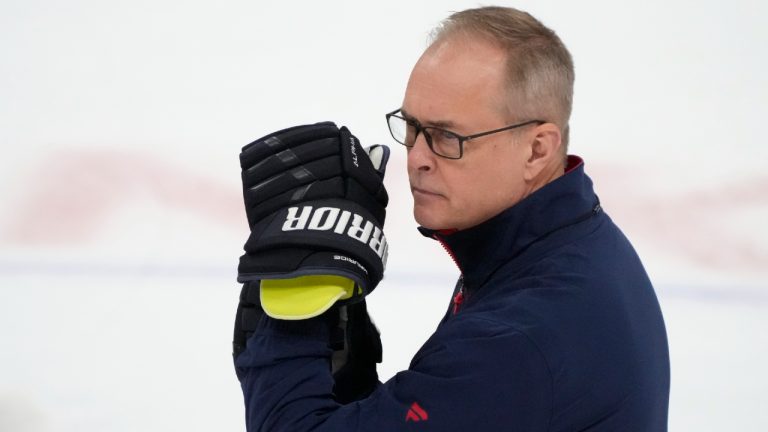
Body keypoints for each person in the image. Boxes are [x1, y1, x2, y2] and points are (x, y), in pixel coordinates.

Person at [232, 6, 670, 431]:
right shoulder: (560, 246)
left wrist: (295, 305)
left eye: (447, 137)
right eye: (411, 127)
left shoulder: (516, 340)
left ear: (537, 150)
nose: (416, 158)